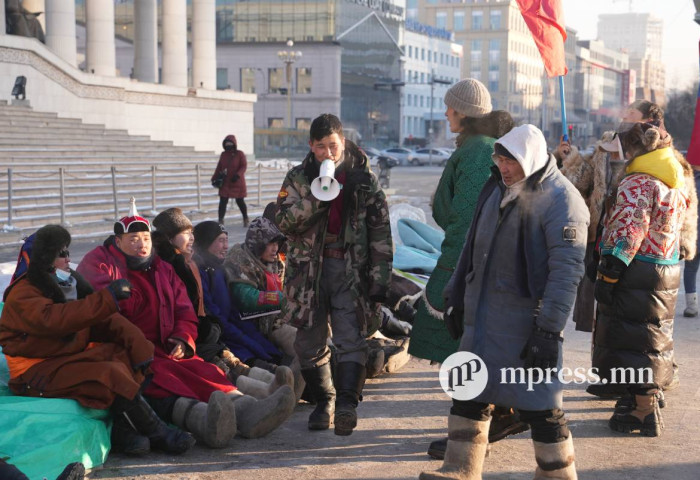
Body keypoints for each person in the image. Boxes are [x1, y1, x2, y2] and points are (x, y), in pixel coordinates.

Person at [420, 125, 588, 480]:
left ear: (530, 159)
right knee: (469, 393)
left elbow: (566, 271)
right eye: (500, 158)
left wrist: (548, 330)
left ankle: (557, 474)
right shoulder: (495, 188)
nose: (504, 166)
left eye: (511, 160)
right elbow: (470, 247)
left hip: (525, 326)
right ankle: (459, 469)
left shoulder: (562, 200)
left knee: (541, 405)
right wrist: (454, 296)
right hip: (482, 319)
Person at [76, 202, 295, 443]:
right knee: (165, 380)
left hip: (169, 345)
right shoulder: (101, 264)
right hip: (128, 350)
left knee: (203, 369)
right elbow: (106, 313)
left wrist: (183, 336)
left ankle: (247, 409)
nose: (142, 245)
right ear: (118, 241)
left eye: (145, 238)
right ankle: (206, 422)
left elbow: (185, 310)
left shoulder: (161, 268)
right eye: (134, 239)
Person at [404, 79, 526, 459]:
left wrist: (451, 271)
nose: (445, 113)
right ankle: (498, 416)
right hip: (477, 265)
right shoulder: (479, 148)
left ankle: (472, 438)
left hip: (468, 266)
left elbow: (470, 221)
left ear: (464, 113)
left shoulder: (478, 151)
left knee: (464, 347)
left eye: (449, 108)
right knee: (471, 346)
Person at [0, 225, 195, 456]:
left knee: (125, 355)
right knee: (108, 372)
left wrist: (138, 344)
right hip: (36, 369)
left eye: (68, 252)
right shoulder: (24, 292)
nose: (67, 259)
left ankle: (124, 433)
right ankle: (158, 432)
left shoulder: (67, 284)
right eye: (60, 253)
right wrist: (107, 298)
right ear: (44, 259)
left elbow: (102, 320)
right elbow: (56, 320)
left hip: (66, 357)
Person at [558, 100, 697, 396]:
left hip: (633, 257)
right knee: (634, 324)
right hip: (651, 258)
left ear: (648, 122)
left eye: (630, 114)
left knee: (636, 325)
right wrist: (569, 160)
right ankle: (621, 380)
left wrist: (613, 267)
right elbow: (582, 183)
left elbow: (634, 226)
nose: (623, 117)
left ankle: (640, 393)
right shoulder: (648, 162)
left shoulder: (651, 171)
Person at [275, 113, 393, 436]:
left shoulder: (363, 177)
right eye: (321, 147)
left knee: (350, 337)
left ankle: (346, 406)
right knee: (308, 342)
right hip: (307, 272)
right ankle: (324, 401)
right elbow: (283, 222)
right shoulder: (298, 179)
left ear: (343, 142)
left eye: (333, 146)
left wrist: (380, 279)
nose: (328, 153)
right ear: (310, 147)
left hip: (349, 270)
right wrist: (319, 197)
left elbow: (381, 230)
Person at [593, 122, 692, 437]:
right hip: (664, 267)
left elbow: (629, 230)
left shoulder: (638, 182)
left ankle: (642, 410)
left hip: (636, 270)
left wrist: (609, 273)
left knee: (633, 340)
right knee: (651, 340)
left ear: (633, 150)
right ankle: (643, 404)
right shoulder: (672, 180)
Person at [151, 209, 295, 400]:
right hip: (198, 337)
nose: (191, 238)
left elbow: (227, 313)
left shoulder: (208, 268)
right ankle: (260, 397)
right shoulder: (181, 268)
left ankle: (288, 386)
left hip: (214, 331)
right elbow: (227, 305)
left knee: (253, 354)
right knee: (226, 362)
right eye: (220, 240)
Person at [219, 217, 306, 399]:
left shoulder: (275, 263)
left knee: (317, 334)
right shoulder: (238, 261)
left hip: (281, 317)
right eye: (270, 244)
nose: (275, 248)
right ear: (257, 243)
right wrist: (284, 299)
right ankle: (295, 390)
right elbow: (246, 298)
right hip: (259, 326)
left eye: (277, 243)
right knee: (301, 342)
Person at [213, 134, 249, 227]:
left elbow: (243, 166)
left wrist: (238, 175)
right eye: (226, 143)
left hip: (237, 182)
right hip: (226, 182)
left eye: (230, 143)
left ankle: (245, 218)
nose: (228, 144)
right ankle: (220, 220)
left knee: (240, 201)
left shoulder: (239, 153)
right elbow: (219, 167)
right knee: (223, 201)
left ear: (234, 143)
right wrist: (214, 178)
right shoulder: (223, 154)